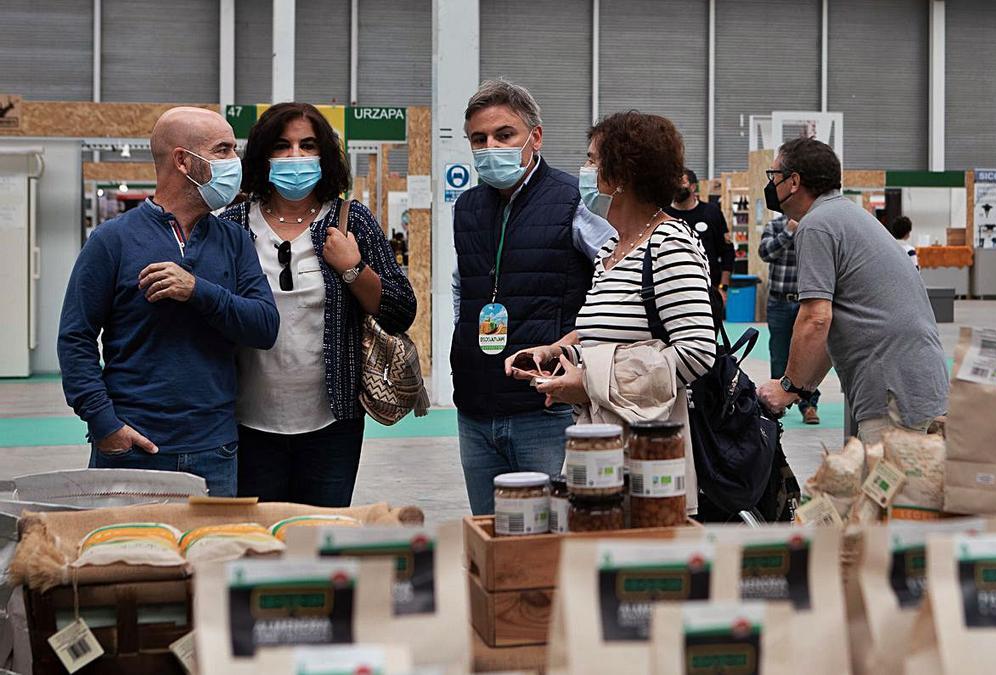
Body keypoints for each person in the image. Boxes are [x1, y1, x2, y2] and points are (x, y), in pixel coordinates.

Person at [57, 107, 279, 496]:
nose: (235, 163)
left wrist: (197, 290)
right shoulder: (112, 241)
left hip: (215, 449)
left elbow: (264, 326)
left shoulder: (233, 241)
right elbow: (76, 338)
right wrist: (104, 424)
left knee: (211, 556)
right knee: (127, 555)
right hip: (131, 448)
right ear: (183, 160)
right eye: (223, 150)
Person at [504, 111, 717, 512]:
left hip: (648, 454)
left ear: (621, 175)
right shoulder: (610, 249)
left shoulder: (669, 245)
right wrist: (555, 354)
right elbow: (603, 334)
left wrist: (589, 384)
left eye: (591, 161)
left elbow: (697, 352)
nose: (583, 171)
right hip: (599, 444)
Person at [219, 103, 417, 507]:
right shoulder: (232, 223)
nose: (296, 157)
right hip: (245, 423)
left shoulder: (351, 220)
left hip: (332, 425)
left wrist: (352, 268)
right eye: (282, 146)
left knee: (321, 539)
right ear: (263, 156)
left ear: (325, 156)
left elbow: (400, 309)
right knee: (259, 544)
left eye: (307, 145)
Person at [451, 79, 614, 515]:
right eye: (479, 139)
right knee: (492, 540)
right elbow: (461, 285)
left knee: (552, 543)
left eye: (504, 135)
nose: (491, 147)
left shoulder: (572, 202)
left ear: (534, 137)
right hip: (475, 410)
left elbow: (615, 283)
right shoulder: (466, 208)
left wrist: (575, 348)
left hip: (545, 409)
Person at [755, 138, 948, 444]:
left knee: (886, 489)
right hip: (920, 384)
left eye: (774, 176)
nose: (771, 184)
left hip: (891, 393)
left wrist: (788, 386)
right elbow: (830, 333)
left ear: (793, 182)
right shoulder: (848, 216)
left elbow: (816, 318)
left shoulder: (816, 225)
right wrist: (797, 388)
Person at [758, 214, 820, 425]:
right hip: (779, 301)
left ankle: (809, 405)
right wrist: (789, 231)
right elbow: (765, 253)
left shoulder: (814, 227)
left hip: (807, 301)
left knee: (810, 354)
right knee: (778, 354)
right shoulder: (775, 226)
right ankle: (777, 405)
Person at [666, 168, 733, 315]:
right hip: (670, 291)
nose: (677, 187)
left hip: (708, 290)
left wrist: (723, 287)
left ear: (693, 187)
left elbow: (727, 252)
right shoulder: (664, 214)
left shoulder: (711, 212)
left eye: (681, 182)